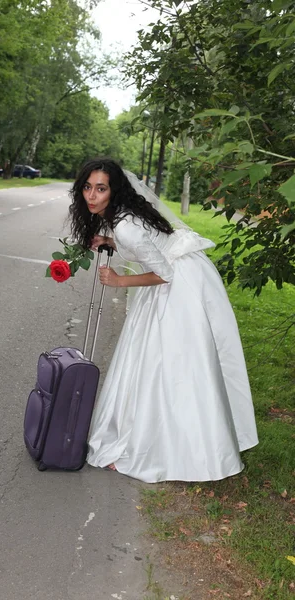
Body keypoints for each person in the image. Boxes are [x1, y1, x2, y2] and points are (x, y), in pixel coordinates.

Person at [69, 158, 258, 484]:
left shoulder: (125, 225)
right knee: (162, 362)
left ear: (114, 190)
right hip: (181, 275)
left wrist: (118, 281)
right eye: (87, 187)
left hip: (180, 283)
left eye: (101, 188)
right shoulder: (121, 220)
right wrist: (110, 242)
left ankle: (178, 450)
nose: (92, 195)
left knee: (174, 363)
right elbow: (150, 244)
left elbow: (164, 274)